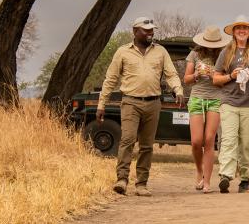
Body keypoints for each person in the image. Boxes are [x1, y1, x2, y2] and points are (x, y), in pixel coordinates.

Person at [96, 16, 184, 196]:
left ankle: (142, 184)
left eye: (152, 30)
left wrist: (178, 90)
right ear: (135, 31)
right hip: (130, 101)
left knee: (147, 145)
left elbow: (171, 74)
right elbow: (111, 79)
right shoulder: (122, 52)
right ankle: (121, 179)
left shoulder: (160, 52)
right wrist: (101, 104)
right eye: (146, 30)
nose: (150, 33)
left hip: (153, 103)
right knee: (127, 140)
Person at [212, 15, 249, 194]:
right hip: (229, 100)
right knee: (228, 139)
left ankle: (245, 178)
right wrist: (231, 76)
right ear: (234, 32)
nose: (242, 31)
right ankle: (226, 175)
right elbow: (215, 78)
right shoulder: (226, 51)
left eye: (245, 28)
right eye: (238, 28)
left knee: (246, 141)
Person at [183, 25, 231, 194]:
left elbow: (227, 80)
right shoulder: (195, 54)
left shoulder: (225, 56)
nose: (211, 46)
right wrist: (196, 74)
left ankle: (208, 182)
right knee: (196, 141)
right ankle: (199, 171)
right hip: (197, 98)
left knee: (209, 139)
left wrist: (213, 75)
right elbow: (186, 79)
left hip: (216, 99)